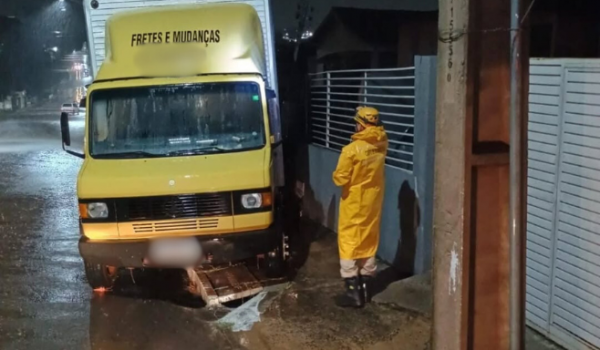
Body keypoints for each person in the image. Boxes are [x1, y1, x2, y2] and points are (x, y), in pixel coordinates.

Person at [332, 106, 388, 308]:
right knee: (368, 237)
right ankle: (366, 288)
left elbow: (340, 179)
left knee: (348, 242)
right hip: (373, 201)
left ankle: (353, 294)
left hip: (354, 202)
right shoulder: (382, 143)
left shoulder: (350, 151)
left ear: (361, 124)